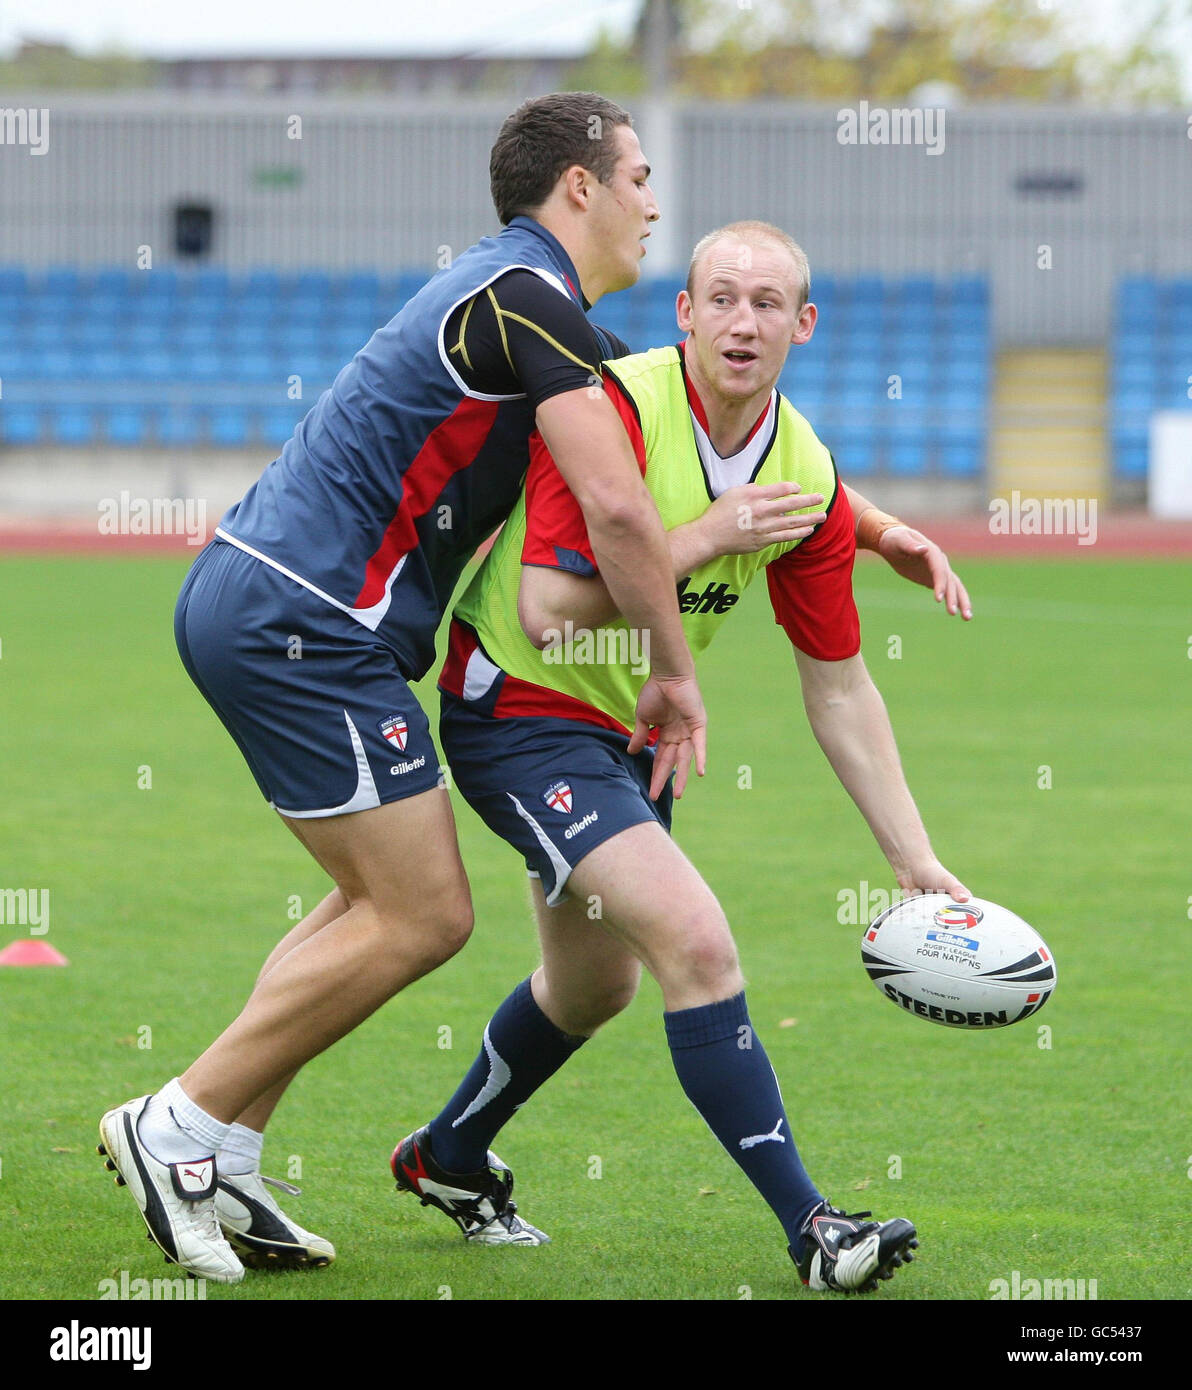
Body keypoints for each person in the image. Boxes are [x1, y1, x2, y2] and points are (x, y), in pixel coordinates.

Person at [98, 91, 711, 1285]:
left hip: (282, 608)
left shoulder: (520, 293)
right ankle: (174, 1122)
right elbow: (620, 507)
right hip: (305, 620)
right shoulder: (529, 297)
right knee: (425, 914)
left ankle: (219, 1147)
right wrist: (673, 674)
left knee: (365, 904)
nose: (652, 200)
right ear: (575, 186)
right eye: (636, 174)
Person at [391, 221, 970, 1294]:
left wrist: (913, 859)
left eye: (766, 303)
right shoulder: (614, 407)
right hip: (514, 704)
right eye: (721, 297)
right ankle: (815, 1229)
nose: (741, 321)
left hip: (630, 737)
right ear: (684, 312)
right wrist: (708, 531)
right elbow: (550, 611)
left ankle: (449, 1157)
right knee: (698, 944)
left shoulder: (800, 468)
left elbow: (837, 683)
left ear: (803, 324)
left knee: (588, 988)